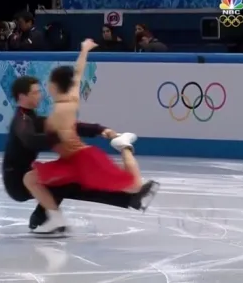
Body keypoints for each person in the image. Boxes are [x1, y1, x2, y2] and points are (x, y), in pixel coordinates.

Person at [24, 39, 159, 234]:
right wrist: (85, 50)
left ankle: (125, 146)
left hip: (84, 159)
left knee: (135, 186)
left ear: (53, 86)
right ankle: (55, 218)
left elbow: (56, 137)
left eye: (49, 83)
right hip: (69, 162)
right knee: (30, 178)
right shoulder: (71, 98)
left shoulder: (59, 113)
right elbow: (78, 73)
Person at [3, 76, 158, 230]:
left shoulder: (32, 118)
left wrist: (100, 130)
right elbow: (30, 140)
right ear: (22, 96)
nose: (40, 95)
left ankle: (45, 219)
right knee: (68, 183)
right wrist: (60, 136)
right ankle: (46, 218)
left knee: (74, 183)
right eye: (35, 93)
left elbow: (67, 126)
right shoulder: (21, 120)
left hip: (28, 174)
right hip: (16, 181)